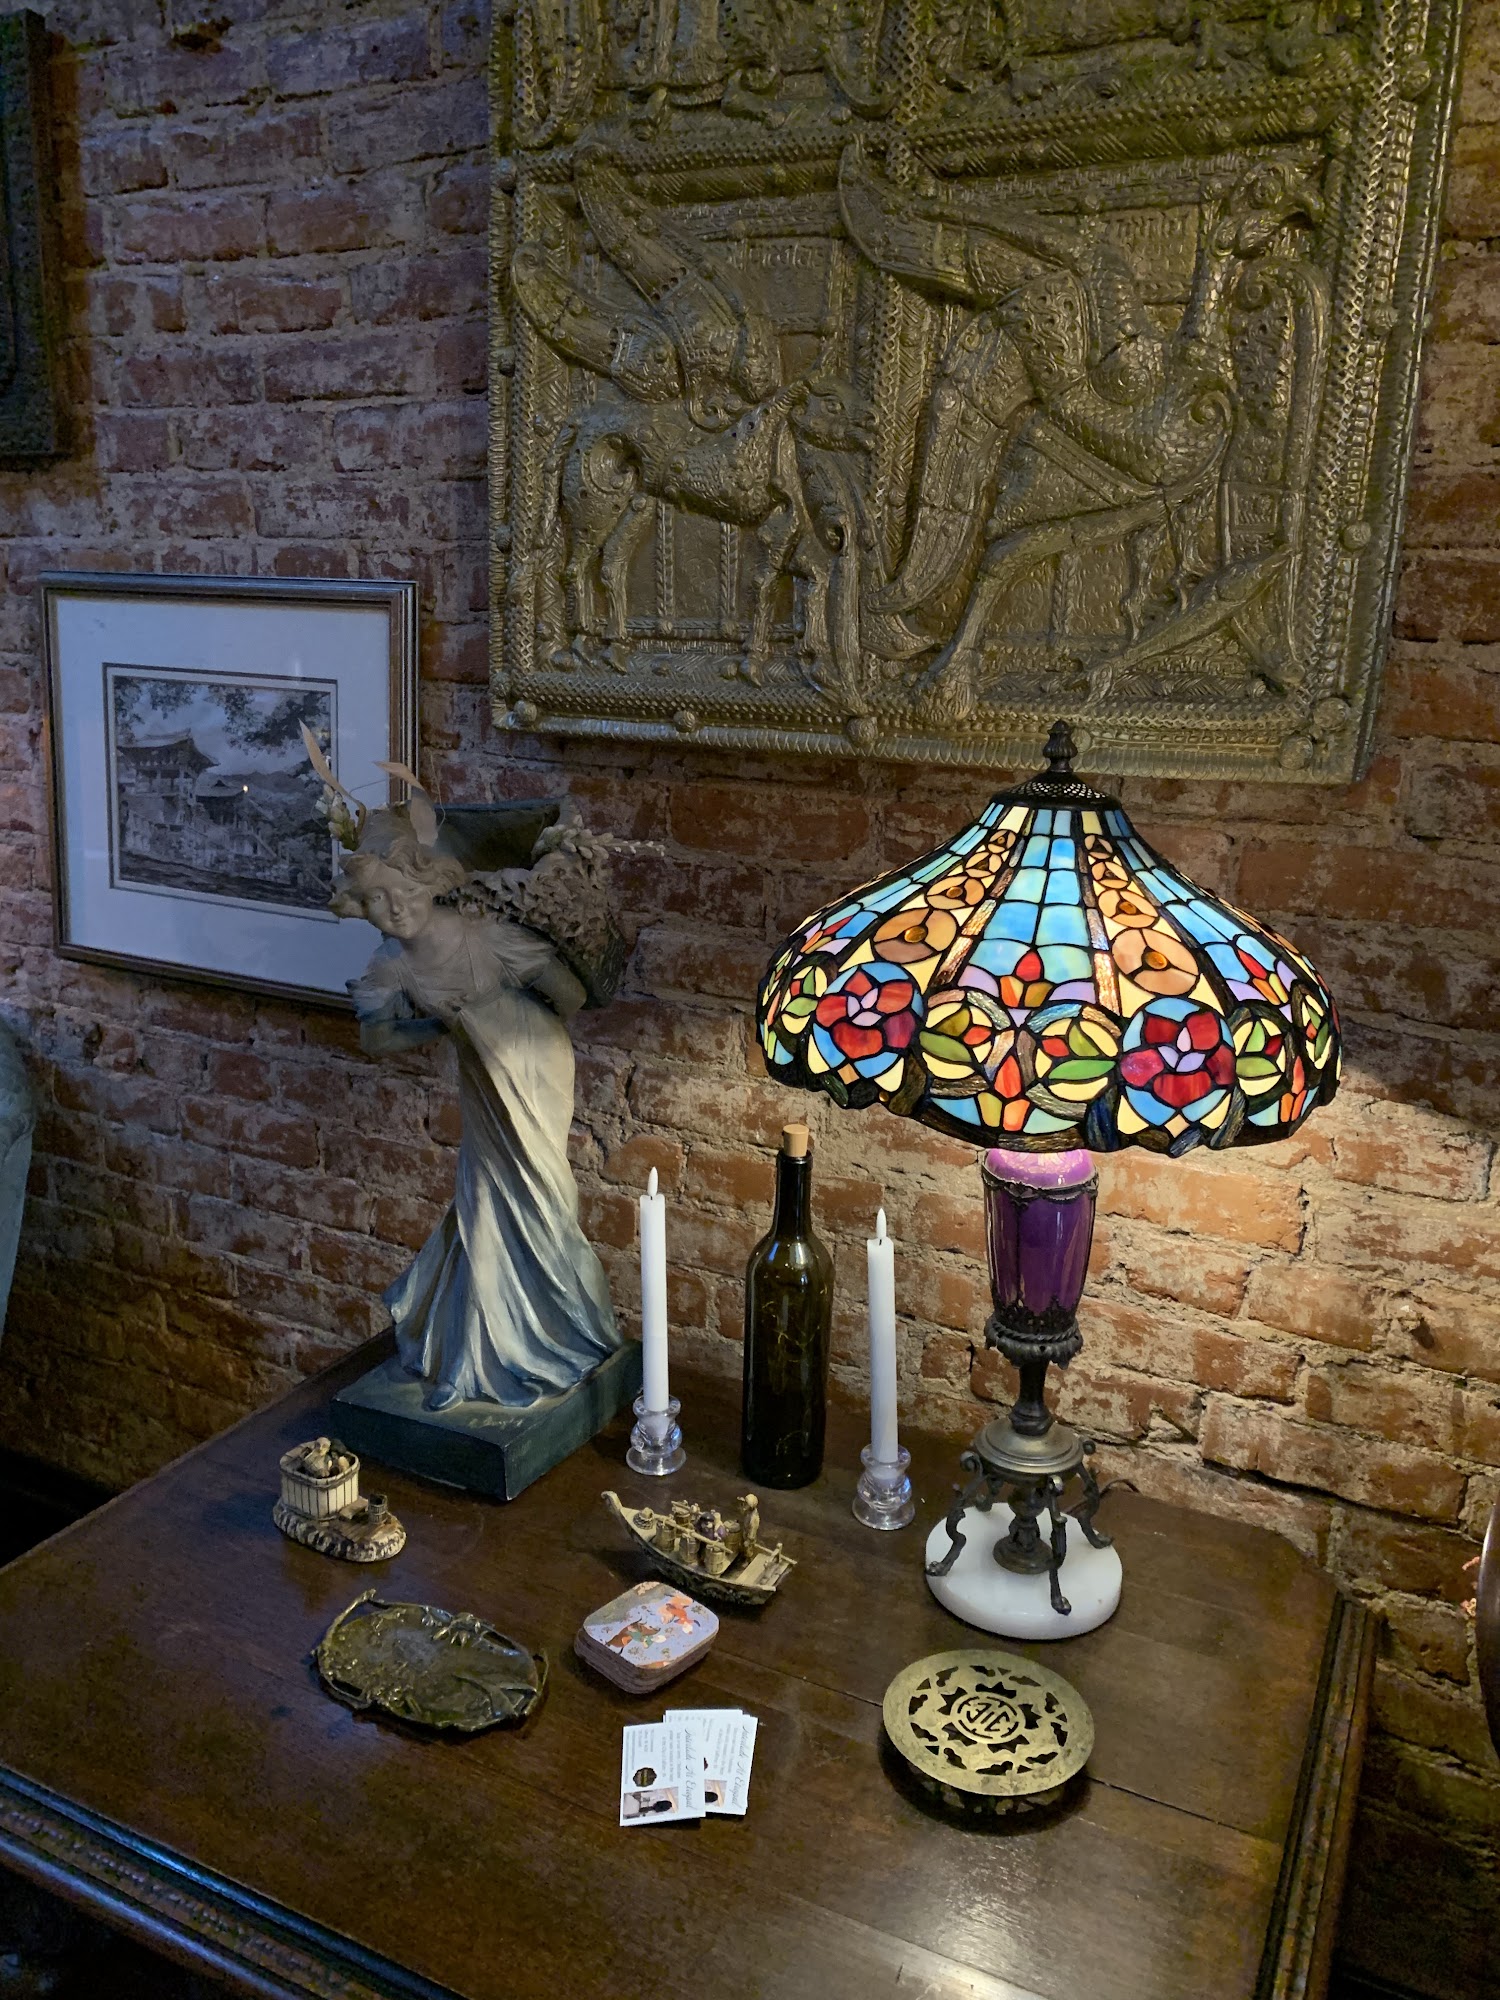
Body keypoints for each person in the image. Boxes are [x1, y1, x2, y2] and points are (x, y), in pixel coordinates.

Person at [333, 808, 620, 1413]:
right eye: (377, 900)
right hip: (482, 1074)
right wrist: (445, 1025)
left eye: (405, 890)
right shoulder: (391, 966)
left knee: (542, 1193)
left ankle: (563, 1335)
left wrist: (499, 1018)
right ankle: (474, 1357)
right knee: (485, 1197)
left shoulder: (483, 936)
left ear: (428, 882)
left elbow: (567, 994)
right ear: (360, 908)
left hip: (532, 1063)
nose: (396, 909)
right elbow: (376, 1039)